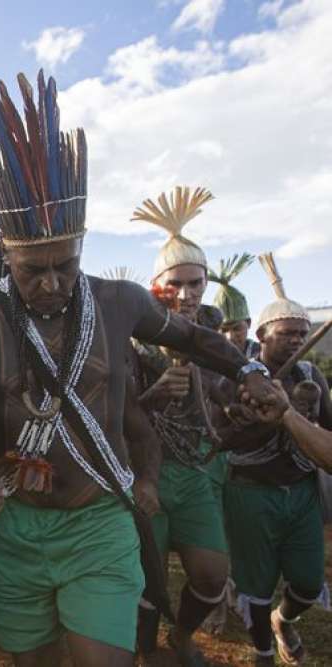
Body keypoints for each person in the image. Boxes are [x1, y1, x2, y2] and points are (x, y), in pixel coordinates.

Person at [0, 70, 279, 667]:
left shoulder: (119, 302)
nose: (53, 282)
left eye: (66, 264)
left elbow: (191, 336)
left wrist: (248, 371)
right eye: (34, 270)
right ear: (8, 256)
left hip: (99, 521)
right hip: (13, 524)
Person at [215, 252, 332, 666]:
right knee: (256, 587)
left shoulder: (312, 378)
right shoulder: (237, 376)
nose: (297, 342)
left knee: (306, 581)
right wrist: (278, 414)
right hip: (250, 493)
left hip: (301, 493)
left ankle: (285, 620)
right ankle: (264, 650)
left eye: (302, 334)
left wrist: (299, 412)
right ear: (262, 335)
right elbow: (224, 440)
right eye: (287, 334)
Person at [129, 187, 231, 663]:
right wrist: (153, 396)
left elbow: (229, 406)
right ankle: (146, 650)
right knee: (147, 581)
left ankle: (183, 635)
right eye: (177, 283)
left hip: (195, 473)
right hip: (143, 471)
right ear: (157, 285)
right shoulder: (132, 339)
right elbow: (114, 414)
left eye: (196, 282)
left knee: (212, 576)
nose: (187, 294)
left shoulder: (215, 339)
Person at [210, 253, 261, 357]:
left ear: (249, 323)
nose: (230, 337)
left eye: (237, 328)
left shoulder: (263, 355)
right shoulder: (208, 357)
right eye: (223, 330)